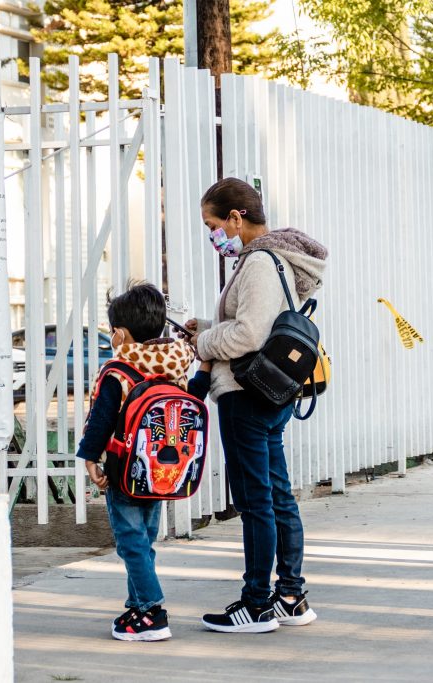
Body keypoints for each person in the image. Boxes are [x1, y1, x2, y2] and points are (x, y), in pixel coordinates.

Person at [182, 177, 328, 633]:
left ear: (235, 218)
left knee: (257, 500)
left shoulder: (260, 262)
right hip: (268, 394)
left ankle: (257, 603)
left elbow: (248, 335)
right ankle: (290, 596)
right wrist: (206, 324)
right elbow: (254, 323)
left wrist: (205, 339)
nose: (212, 235)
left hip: (246, 395)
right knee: (277, 495)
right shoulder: (273, 261)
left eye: (213, 224)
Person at [77, 282, 211, 642]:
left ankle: (152, 611)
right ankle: (138, 605)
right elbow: (193, 398)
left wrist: (90, 458)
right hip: (164, 474)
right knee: (143, 540)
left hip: (125, 473)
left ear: (120, 333)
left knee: (130, 542)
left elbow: (102, 420)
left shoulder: (118, 371)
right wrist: (206, 368)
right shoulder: (174, 366)